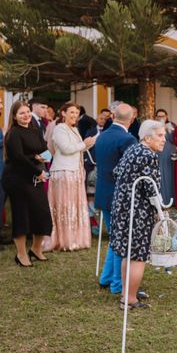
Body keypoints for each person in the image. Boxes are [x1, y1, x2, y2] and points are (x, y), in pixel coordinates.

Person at [110, 120, 165, 310]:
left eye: (164, 135)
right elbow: (152, 189)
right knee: (139, 256)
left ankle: (128, 292)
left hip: (122, 207)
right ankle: (129, 299)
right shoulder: (148, 155)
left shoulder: (133, 149)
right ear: (147, 137)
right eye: (160, 135)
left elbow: (116, 172)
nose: (163, 139)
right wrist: (160, 210)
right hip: (138, 211)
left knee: (128, 253)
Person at [2, 101, 53, 266]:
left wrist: (43, 158)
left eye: (27, 112)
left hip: (35, 177)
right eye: (21, 113)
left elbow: (46, 150)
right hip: (17, 179)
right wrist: (38, 170)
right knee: (22, 216)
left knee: (42, 214)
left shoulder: (35, 129)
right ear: (15, 116)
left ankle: (36, 249)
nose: (26, 115)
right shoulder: (13, 133)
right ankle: (21, 254)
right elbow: (18, 158)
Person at [95, 103, 137, 294]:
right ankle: (117, 284)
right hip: (120, 197)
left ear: (113, 116)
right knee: (121, 241)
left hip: (103, 192)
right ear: (132, 118)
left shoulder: (101, 136)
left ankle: (106, 278)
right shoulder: (128, 139)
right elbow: (131, 172)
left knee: (115, 238)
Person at [44, 102, 96, 252]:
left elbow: (76, 149)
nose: (74, 115)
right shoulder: (60, 129)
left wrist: (88, 144)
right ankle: (63, 240)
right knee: (64, 207)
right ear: (63, 113)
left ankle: (75, 239)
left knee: (74, 206)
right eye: (71, 112)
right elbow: (66, 149)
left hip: (74, 172)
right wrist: (84, 144)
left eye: (76, 113)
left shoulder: (74, 129)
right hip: (63, 172)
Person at [155, 108, 176, 205]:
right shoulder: (153, 126)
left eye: (163, 116)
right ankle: (160, 199)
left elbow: (174, 140)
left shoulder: (171, 125)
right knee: (159, 175)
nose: (161, 118)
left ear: (166, 116)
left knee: (168, 174)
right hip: (157, 152)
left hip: (168, 152)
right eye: (159, 116)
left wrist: (169, 130)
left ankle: (170, 199)